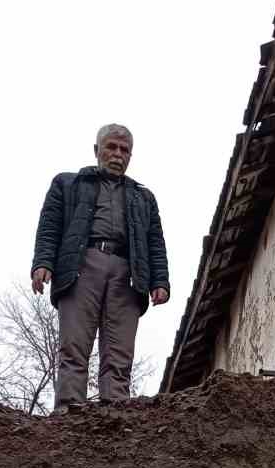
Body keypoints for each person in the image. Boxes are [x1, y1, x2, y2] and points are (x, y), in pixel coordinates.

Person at [31, 124, 170, 407]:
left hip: (128, 274)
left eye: (125, 149)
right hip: (81, 267)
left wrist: (160, 281)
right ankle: (69, 411)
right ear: (97, 150)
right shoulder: (67, 184)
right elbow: (49, 226)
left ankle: (116, 414)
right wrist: (43, 263)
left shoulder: (143, 197)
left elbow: (155, 240)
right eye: (111, 147)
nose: (118, 154)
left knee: (120, 353)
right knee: (73, 346)